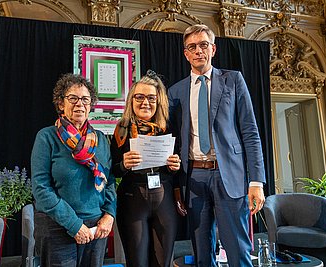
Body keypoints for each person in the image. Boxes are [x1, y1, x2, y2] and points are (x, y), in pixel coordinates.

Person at [168, 24, 266, 267]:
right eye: (192, 47)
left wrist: (256, 181)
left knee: (238, 251)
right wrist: (177, 187)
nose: (198, 51)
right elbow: (171, 138)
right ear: (186, 53)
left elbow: (250, 133)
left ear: (213, 49)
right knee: (201, 252)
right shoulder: (176, 91)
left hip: (229, 176)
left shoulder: (233, 80)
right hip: (194, 178)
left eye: (203, 45)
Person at [31, 73, 116, 267]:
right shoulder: (47, 138)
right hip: (57, 228)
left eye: (85, 99)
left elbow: (108, 181)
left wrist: (109, 215)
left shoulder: (101, 139)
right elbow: (41, 189)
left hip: (96, 228)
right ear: (61, 104)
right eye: (73, 98)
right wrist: (74, 225)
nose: (80, 104)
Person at [110, 70, 183, 267]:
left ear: (159, 101)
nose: (145, 103)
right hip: (132, 200)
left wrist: (175, 166)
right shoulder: (122, 129)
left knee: (163, 264)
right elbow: (112, 170)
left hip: (164, 199)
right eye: (139, 97)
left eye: (151, 98)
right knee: (137, 264)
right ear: (131, 100)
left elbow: (178, 170)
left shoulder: (168, 127)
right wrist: (123, 164)